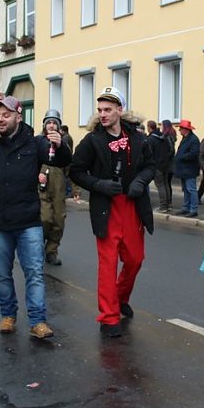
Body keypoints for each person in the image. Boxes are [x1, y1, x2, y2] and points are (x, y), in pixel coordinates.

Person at [0, 96, 70, 339]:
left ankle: (38, 321)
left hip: (28, 220)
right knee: (2, 273)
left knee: (35, 272)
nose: (0, 119)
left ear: (18, 116)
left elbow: (60, 160)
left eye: (6, 115)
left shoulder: (34, 143)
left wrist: (60, 146)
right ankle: (8, 315)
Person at [70, 86, 155, 338]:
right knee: (107, 264)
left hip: (132, 206)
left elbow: (151, 166)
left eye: (108, 109)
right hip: (106, 208)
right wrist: (99, 184)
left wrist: (141, 180)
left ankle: (120, 297)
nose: (103, 114)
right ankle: (108, 317)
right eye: (100, 110)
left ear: (120, 110)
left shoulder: (139, 138)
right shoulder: (92, 141)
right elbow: (76, 171)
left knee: (135, 259)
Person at [38, 109, 78, 266]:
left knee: (59, 221)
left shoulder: (64, 145)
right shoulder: (38, 141)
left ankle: (51, 252)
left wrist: (76, 191)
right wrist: (36, 175)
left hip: (59, 187)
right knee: (45, 219)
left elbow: (71, 168)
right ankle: (38, 248)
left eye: (55, 123)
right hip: (42, 187)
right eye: (49, 122)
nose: (52, 125)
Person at [174, 119, 200, 217]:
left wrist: (181, 157)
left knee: (191, 189)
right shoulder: (186, 138)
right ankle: (186, 207)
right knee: (185, 189)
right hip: (184, 169)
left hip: (189, 169)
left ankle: (193, 209)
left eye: (181, 128)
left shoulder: (193, 139)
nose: (179, 130)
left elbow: (194, 153)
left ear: (186, 130)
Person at [146, 120, 173, 213]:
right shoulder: (163, 137)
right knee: (165, 184)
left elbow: (148, 153)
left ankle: (163, 206)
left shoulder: (151, 139)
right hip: (165, 164)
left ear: (149, 127)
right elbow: (170, 150)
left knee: (160, 185)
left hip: (157, 165)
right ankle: (168, 204)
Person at [161, 120, 177, 208]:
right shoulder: (172, 135)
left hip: (167, 163)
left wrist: (164, 158)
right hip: (170, 163)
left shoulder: (167, 137)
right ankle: (169, 200)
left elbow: (171, 150)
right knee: (168, 183)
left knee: (166, 182)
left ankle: (168, 202)